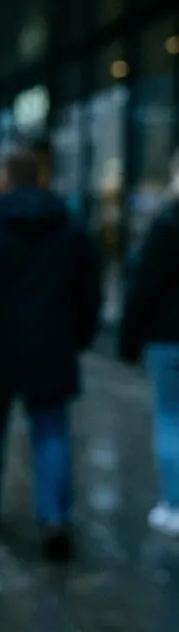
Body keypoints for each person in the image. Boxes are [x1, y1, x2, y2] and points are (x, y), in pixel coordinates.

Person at [0, 145, 101, 561]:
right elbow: (89, 290)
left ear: (4, 178)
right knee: (51, 432)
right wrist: (81, 336)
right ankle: (55, 517)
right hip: (50, 344)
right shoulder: (68, 225)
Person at [118, 149, 179, 536]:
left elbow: (145, 288)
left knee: (171, 420)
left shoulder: (167, 224)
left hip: (169, 339)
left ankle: (174, 504)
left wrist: (129, 338)